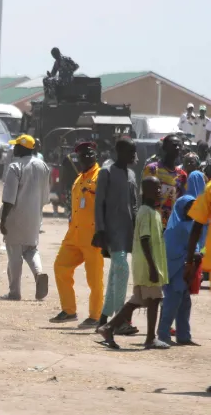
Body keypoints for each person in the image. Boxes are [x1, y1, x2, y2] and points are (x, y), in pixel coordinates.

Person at [97, 176, 169, 350]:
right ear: (145, 191)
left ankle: (109, 327)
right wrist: (152, 267)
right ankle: (150, 338)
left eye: (160, 188)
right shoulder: (146, 212)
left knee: (139, 301)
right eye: (155, 188)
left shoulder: (154, 212)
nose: (159, 191)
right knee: (154, 300)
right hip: (148, 266)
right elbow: (144, 240)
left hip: (150, 265)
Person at [50, 142, 104, 328]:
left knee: (94, 278)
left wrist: (102, 231)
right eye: (83, 155)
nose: (87, 156)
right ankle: (69, 310)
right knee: (60, 267)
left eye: (90, 153)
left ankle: (95, 316)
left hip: (92, 235)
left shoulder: (101, 176)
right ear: (78, 159)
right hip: (74, 234)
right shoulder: (79, 178)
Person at [93, 138, 139, 333]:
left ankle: (103, 319)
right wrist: (100, 231)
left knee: (115, 274)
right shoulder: (106, 172)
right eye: (130, 151)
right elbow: (99, 204)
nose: (133, 156)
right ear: (119, 151)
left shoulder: (130, 174)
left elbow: (135, 204)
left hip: (127, 231)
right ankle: (120, 320)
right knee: (122, 269)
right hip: (111, 231)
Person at [0, 135, 50, 301]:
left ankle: (15, 292)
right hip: (35, 216)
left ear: (22, 148)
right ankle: (39, 272)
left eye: (16, 146)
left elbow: (8, 199)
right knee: (31, 249)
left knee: (14, 254)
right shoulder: (43, 166)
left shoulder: (15, 167)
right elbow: (45, 198)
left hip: (16, 217)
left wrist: (3, 220)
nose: (14, 149)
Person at [158, 191, 198, 345]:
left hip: (186, 269)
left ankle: (183, 335)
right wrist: (190, 254)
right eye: (188, 207)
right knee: (172, 303)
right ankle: (163, 334)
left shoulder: (193, 225)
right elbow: (171, 251)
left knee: (185, 303)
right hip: (175, 270)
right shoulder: (174, 228)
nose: (191, 210)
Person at [143, 134, 186, 228]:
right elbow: (144, 197)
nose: (178, 148)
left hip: (172, 225)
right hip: (153, 222)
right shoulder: (152, 169)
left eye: (180, 145)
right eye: (174, 145)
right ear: (164, 148)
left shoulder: (182, 175)